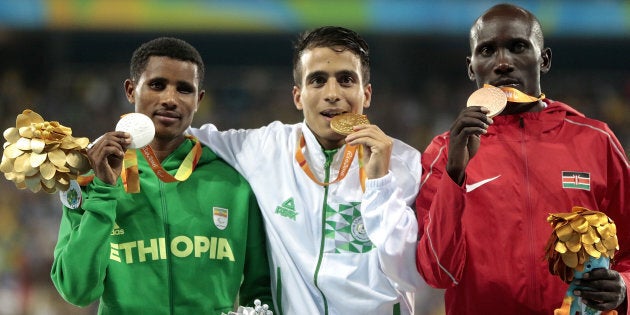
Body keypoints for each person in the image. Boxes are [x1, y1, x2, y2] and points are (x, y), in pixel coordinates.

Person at [188, 26, 422, 314]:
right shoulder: (265, 150)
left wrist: (380, 185)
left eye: (346, 80)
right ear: (298, 96)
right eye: (318, 81)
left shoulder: (406, 163)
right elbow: (180, 133)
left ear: (367, 93)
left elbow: (411, 274)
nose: (332, 94)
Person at [415, 3, 630, 314]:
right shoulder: (445, 152)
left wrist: (623, 285)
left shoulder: (596, 141)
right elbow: (435, 271)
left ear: (544, 59)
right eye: (487, 51)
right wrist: (455, 175)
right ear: (471, 67)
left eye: (518, 47)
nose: (503, 63)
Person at [50, 37, 273, 314]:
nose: (170, 99)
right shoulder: (90, 177)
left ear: (198, 100)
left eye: (184, 89)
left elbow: (261, 292)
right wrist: (105, 191)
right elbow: (77, 290)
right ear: (131, 90)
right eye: (157, 85)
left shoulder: (235, 182)